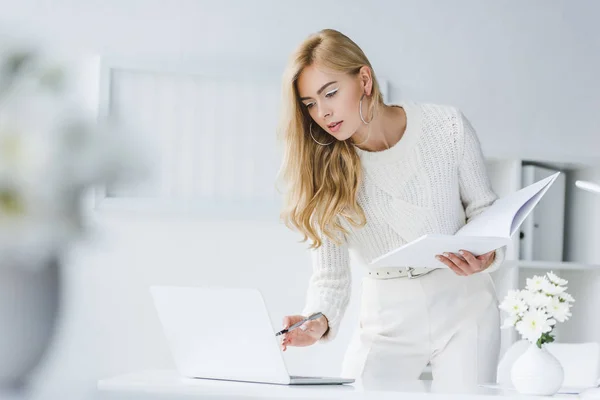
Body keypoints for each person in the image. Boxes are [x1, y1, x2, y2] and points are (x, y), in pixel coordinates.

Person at [276, 28, 505, 385]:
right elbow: (330, 278)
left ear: (364, 80)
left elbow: (485, 211)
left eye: (331, 93)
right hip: (386, 316)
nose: (322, 112)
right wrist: (315, 321)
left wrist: (485, 256)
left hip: (464, 306)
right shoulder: (322, 169)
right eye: (309, 104)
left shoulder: (446, 127)